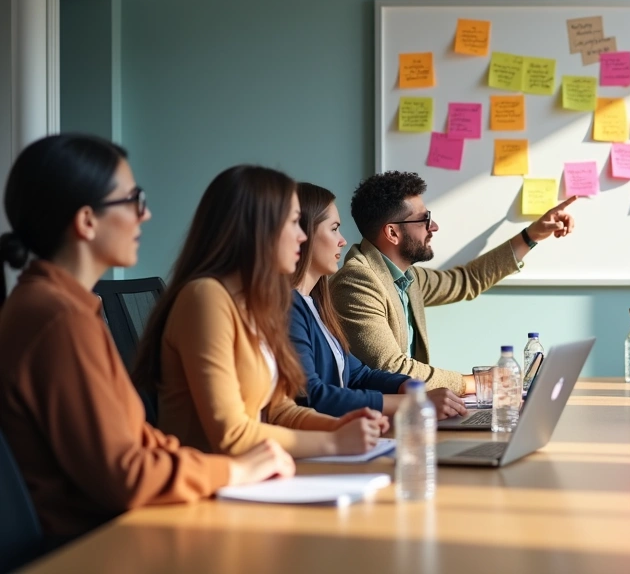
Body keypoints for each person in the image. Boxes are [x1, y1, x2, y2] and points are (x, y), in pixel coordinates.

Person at [0, 135, 293, 541]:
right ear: (87, 221)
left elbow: (136, 437)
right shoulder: (58, 319)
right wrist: (234, 470)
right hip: (94, 547)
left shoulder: (63, 307)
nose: (146, 215)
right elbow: (127, 475)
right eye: (133, 200)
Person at [133, 165, 387, 459]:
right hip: (210, 488)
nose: (302, 237)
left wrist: (336, 426)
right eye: (293, 223)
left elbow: (279, 410)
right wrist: (334, 443)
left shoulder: (256, 304)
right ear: (259, 228)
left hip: (253, 476)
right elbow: (232, 435)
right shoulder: (205, 298)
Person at [331, 171, 577, 394]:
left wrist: (531, 235)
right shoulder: (357, 282)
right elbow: (392, 368)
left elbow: (467, 280)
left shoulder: (407, 278)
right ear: (392, 233)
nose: (434, 227)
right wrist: (474, 382)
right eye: (424, 219)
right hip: (379, 423)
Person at [289, 182, 466, 419]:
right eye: (334, 229)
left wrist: (408, 387)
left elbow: (359, 375)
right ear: (303, 236)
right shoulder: (292, 307)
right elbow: (313, 396)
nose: (343, 241)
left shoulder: (317, 304)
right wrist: (413, 402)